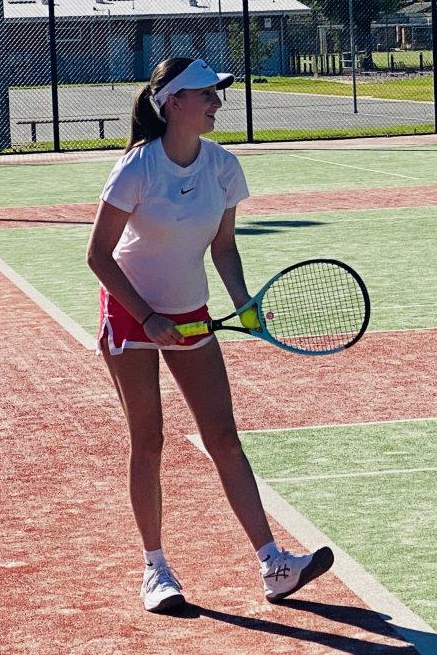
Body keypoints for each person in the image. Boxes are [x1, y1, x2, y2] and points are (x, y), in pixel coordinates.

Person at [86, 57, 333, 613]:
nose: (218, 102)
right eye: (206, 94)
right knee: (148, 441)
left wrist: (243, 302)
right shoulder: (137, 169)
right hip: (130, 316)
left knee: (223, 436)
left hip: (191, 313)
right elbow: (98, 255)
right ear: (174, 102)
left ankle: (274, 564)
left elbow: (222, 248)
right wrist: (148, 317)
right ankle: (155, 570)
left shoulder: (224, 167)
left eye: (217, 93)